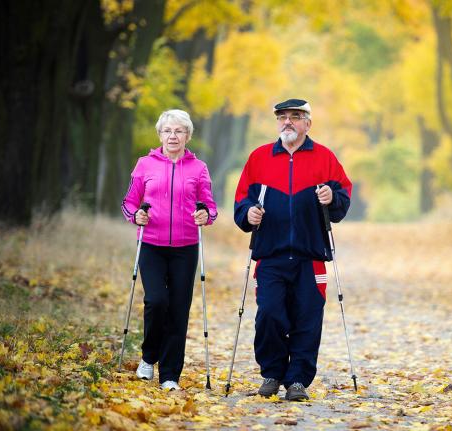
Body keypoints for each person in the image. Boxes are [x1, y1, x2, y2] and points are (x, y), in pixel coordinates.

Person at [233, 99, 352, 401]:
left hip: (310, 256)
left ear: (307, 123)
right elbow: (241, 201)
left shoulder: (324, 157)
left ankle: (297, 380)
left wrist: (331, 197)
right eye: (283, 117)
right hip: (270, 255)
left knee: (308, 318)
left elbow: (342, 199)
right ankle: (272, 373)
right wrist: (248, 214)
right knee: (269, 314)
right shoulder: (259, 157)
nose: (288, 122)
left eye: (295, 117)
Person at [121, 109, 218, 391]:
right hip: (151, 243)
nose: (173, 136)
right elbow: (129, 202)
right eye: (167, 131)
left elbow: (209, 206)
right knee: (156, 301)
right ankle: (149, 357)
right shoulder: (144, 164)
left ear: (187, 136)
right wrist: (136, 215)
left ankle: (170, 375)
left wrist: (206, 216)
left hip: (186, 248)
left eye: (178, 131)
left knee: (178, 309)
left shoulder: (198, 168)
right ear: (160, 135)